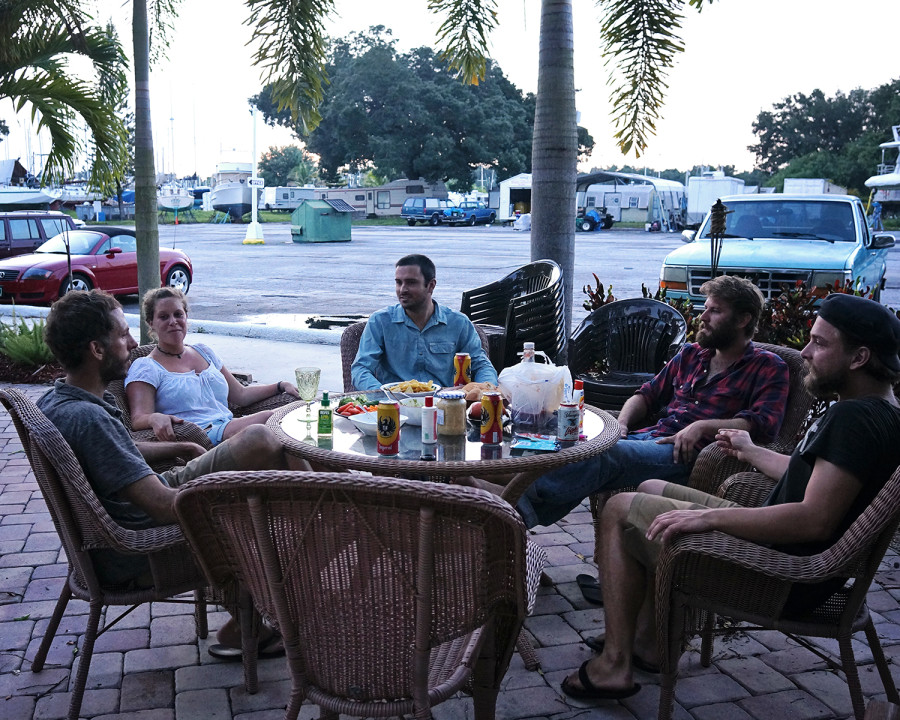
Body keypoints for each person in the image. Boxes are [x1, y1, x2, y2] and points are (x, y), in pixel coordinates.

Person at [561, 293, 900, 701]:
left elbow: (815, 519)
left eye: (820, 343)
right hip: (777, 542)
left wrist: (707, 519)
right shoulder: (879, 410)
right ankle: (649, 644)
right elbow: (813, 480)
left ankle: (614, 667)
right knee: (648, 489)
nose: (806, 353)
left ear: (859, 357)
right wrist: (753, 450)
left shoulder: (853, 419)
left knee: (620, 508)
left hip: (778, 573)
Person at [37, 289, 307, 657]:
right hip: (139, 538)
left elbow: (120, 453)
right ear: (96, 350)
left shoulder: (59, 400)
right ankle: (256, 619)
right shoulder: (87, 418)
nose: (133, 344)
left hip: (149, 495)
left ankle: (320, 515)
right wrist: (234, 492)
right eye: (122, 335)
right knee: (257, 508)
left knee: (261, 436)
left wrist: (180, 447)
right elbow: (164, 506)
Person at [517, 274, 790, 530]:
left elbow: (764, 423)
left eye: (715, 311)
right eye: (705, 308)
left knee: (605, 456)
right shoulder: (692, 355)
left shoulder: (768, 366)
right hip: (649, 438)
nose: (703, 317)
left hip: (689, 455)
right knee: (583, 447)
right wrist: (620, 424)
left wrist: (704, 427)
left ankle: (512, 502)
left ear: (743, 319)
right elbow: (645, 395)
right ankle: (517, 517)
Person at [125, 287, 299, 446]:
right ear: (150, 322)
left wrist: (279, 386)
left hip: (230, 427)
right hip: (200, 437)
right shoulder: (146, 366)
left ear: (186, 316)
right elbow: (138, 418)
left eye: (178, 314)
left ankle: (309, 478)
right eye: (164, 317)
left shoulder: (203, 352)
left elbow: (241, 394)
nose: (173, 321)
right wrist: (154, 418)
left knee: (300, 412)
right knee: (272, 419)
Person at [350, 254, 498, 390]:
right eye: (398, 282)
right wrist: (384, 395)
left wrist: (486, 389)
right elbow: (360, 368)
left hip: (445, 404)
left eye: (411, 283)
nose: (402, 289)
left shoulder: (459, 323)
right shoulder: (380, 321)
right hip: (396, 405)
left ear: (431, 285)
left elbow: (481, 366)